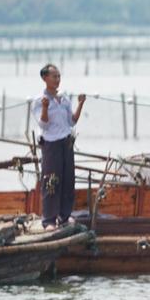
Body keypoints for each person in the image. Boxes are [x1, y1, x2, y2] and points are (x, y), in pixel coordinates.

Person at [33, 63, 86, 230]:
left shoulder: (64, 99)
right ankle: (48, 220)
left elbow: (72, 121)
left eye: (59, 76)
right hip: (51, 143)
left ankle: (64, 216)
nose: (57, 79)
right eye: (54, 76)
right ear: (45, 78)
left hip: (66, 142)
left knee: (68, 180)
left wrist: (80, 104)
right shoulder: (40, 101)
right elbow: (44, 125)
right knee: (51, 180)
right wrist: (46, 108)